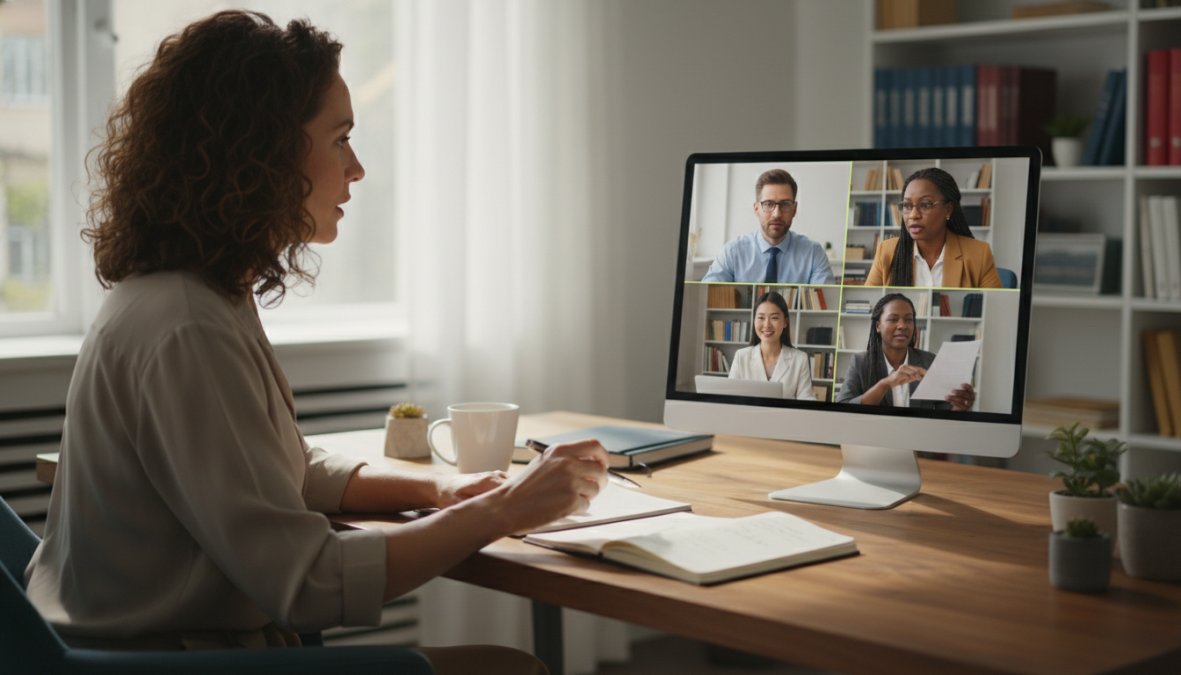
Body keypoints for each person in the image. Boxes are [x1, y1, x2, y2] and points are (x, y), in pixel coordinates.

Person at [23, 11, 605, 674]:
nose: (356, 168)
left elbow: (276, 466)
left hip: (142, 643)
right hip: (161, 660)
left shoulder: (195, 293)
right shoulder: (186, 326)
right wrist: (507, 507)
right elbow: (309, 582)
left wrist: (441, 492)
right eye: (340, 138)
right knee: (513, 668)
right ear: (263, 150)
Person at [864, 167, 1002, 288]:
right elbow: (872, 307)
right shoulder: (886, 251)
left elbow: (995, 309)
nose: (913, 215)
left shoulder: (979, 254)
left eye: (925, 205)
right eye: (907, 205)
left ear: (947, 210)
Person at [837, 293, 975, 411]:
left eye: (908, 320)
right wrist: (885, 384)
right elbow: (843, 407)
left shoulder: (929, 361)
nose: (902, 326)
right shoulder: (861, 362)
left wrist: (959, 406)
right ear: (878, 326)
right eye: (893, 319)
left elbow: (943, 412)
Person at [701, 169, 836, 284]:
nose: (777, 214)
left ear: (794, 209)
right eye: (768, 204)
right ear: (756, 209)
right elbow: (706, 296)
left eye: (785, 204)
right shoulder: (732, 252)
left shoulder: (813, 253)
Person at [727, 291, 816, 400]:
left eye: (774, 318)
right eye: (761, 318)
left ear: (785, 322)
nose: (767, 325)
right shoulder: (741, 356)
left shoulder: (800, 359)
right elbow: (730, 399)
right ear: (754, 320)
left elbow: (807, 402)